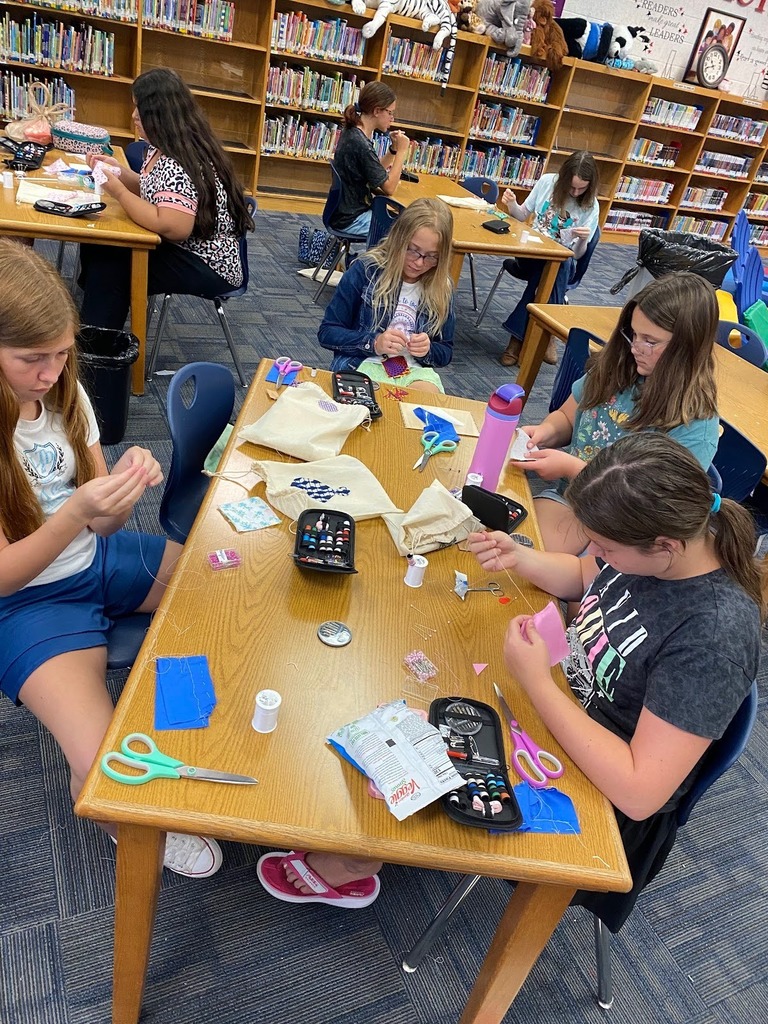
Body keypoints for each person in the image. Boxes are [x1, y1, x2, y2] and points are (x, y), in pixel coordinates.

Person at [469, 432, 762, 931]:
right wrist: (521, 557)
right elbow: (588, 575)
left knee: (426, 747)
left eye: (607, 546)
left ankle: (353, 865)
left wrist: (537, 683)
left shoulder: (713, 637)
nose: (600, 554)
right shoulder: (663, 545)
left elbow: (640, 792)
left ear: (664, 546)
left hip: (605, 802)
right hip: (569, 711)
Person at [0, 239, 221, 879]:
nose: (50, 372)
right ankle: (107, 811)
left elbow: (104, 521)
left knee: (220, 576)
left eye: (62, 354)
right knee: (108, 776)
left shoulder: (67, 396)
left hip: (93, 557)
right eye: (31, 359)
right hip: (26, 604)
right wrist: (74, 513)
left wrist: (123, 486)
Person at [515, 272, 719, 555]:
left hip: (628, 534)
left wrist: (572, 468)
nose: (635, 347)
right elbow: (567, 417)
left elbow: (652, 508)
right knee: (517, 542)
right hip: (572, 502)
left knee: (570, 582)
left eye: (650, 340)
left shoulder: (694, 424)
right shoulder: (619, 369)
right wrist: (545, 432)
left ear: (687, 346)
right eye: (633, 333)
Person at [79, 67, 254, 331]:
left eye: (141, 110)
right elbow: (156, 193)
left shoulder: (180, 161)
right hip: (187, 248)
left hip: (208, 263)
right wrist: (118, 172)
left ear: (160, 115)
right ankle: (95, 320)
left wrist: (118, 191)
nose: (134, 116)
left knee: (111, 266)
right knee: (101, 243)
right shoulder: (164, 147)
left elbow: (174, 226)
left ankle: (100, 354)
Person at [318, 197, 455, 393]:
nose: (419, 263)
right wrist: (374, 342)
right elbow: (327, 333)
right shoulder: (365, 270)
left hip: (413, 370)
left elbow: (446, 351)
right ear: (398, 239)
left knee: (426, 410)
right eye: (413, 251)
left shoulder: (442, 286)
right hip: (363, 363)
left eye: (432, 256)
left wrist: (428, 350)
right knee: (373, 407)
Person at [499, 151, 600, 367]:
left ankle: (516, 340)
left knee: (558, 265)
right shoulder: (546, 182)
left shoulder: (591, 205)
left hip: (561, 263)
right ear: (563, 179)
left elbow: (578, 256)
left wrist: (582, 241)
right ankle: (548, 333)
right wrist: (512, 205)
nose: (575, 192)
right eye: (571, 187)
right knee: (552, 269)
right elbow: (521, 215)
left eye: (581, 189)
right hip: (530, 255)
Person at [330, 81, 409, 237]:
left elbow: (373, 173)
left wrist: (393, 150)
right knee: (405, 234)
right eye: (390, 112)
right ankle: (375, 261)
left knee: (406, 224)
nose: (392, 118)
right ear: (377, 111)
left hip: (345, 212)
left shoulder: (354, 132)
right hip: (352, 219)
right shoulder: (361, 143)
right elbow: (389, 188)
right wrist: (402, 151)